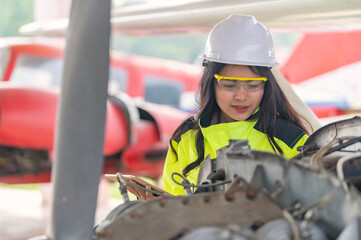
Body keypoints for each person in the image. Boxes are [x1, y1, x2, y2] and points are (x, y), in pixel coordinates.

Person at [127, 14, 311, 199]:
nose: (241, 96)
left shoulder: (292, 142)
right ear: (211, 84)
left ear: (267, 86)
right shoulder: (186, 139)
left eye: (253, 85)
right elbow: (174, 208)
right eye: (229, 85)